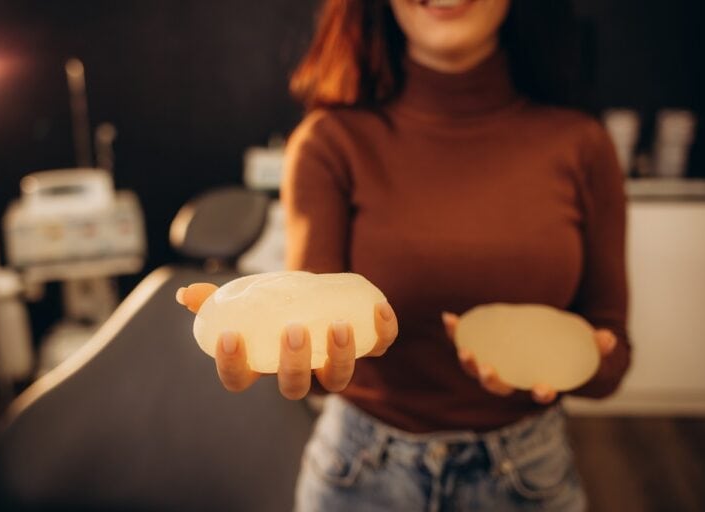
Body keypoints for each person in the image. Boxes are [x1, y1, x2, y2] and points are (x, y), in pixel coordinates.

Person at [177, 0, 630, 510]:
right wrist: (294, 357)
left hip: (527, 474)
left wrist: (584, 358)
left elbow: (615, 357)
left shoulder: (582, 146)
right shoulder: (328, 143)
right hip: (361, 473)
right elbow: (316, 341)